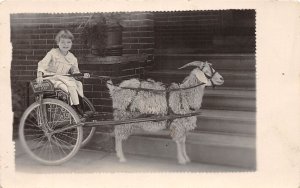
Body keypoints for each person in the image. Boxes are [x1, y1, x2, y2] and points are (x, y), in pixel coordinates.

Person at [36, 29, 89, 117]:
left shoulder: (72, 58)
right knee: (66, 87)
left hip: (63, 78)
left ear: (71, 43)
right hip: (51, 78)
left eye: (68, 42)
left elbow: (75, 72)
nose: (66, 45)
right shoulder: (53, 53)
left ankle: (80, 107)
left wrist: (82, 75)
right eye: (63, 42)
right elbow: (42, 63)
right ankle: (76, 109)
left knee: (78, 84)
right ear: (58, 43)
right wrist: (39, 75)